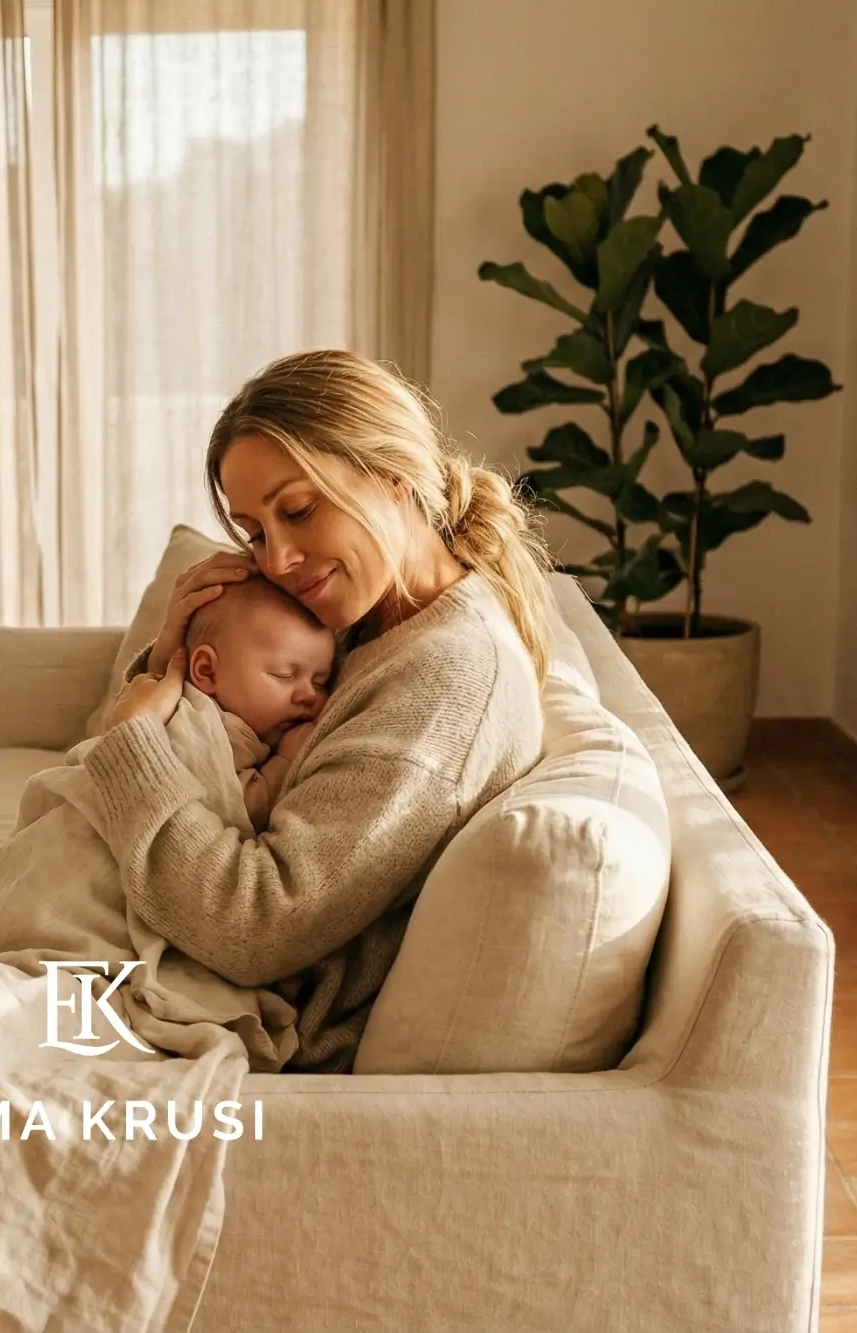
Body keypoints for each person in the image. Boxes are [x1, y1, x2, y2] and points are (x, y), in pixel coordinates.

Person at [83, 348, 552, 1073]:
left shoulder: (446, 680)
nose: (276, 560)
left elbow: (253, 924)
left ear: (394, 477)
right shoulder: (364, 616)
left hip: (248, 1020)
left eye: (299, 511)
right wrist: (171, 657)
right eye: (255, 532)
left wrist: (132, 745)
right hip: (156, 948)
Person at [178, 575, 336, 825]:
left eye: (320, 682)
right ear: (207, 671)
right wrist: (285, 762)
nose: (309, 694)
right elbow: (237, 814)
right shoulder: (205, 731)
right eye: (283, 675)